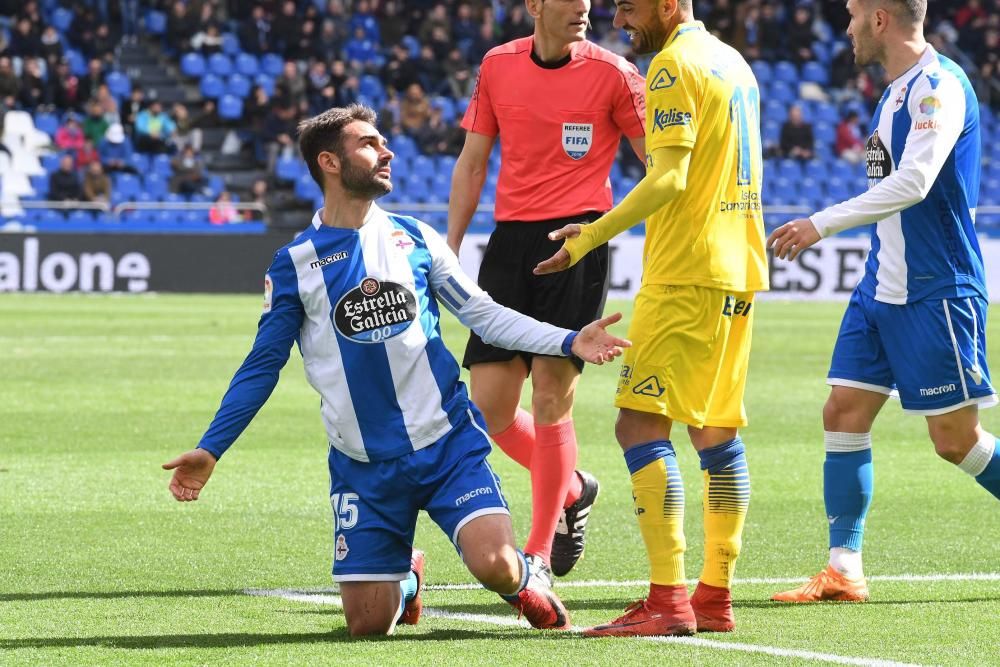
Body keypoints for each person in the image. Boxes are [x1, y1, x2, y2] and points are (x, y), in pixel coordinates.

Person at [161, 104, 631, 637]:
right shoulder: (295, 265)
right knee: (367, 625)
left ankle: (522, 579)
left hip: (446, 444)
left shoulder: (416, 240)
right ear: (329, 163)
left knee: (493, 565)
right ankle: (407, 575)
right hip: (364, 465)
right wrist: (212, 446)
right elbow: (261, 365)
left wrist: (568, 338)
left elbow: (484, 314)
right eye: (369, 143)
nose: (386, 151)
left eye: (383, 141)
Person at [534, 0, 767, 637]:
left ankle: (668, 599)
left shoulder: (670, 66)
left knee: (639, 426)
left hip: (688, 270)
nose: (618, 21)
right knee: (717, 433)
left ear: (669, 5)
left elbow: (668, 177)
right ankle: (714, 595)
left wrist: (589, 237)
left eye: (630, 7)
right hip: (737, 269)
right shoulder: (732, 62)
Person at [768, 0, 1000, 604]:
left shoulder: (939, 88)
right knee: (843, 412)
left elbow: (917, 182)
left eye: (851, 16)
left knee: (957, 441)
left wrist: (821, 222)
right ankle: (844, 568)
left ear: (879, 19)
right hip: (880, 287)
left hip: (936, 288)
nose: (845, 29)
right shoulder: (893, 93)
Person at [447, 0, 646, 585]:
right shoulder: (498, 64)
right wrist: (451, 249)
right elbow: (472, 162)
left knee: (551, 400)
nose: (583, 7)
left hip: (579, 240)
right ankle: (573, 487)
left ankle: (535, 555)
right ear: (535, 5)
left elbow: (658, 166)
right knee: (488, 408)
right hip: (509, 246)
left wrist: (611, 231)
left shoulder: (615, 73)